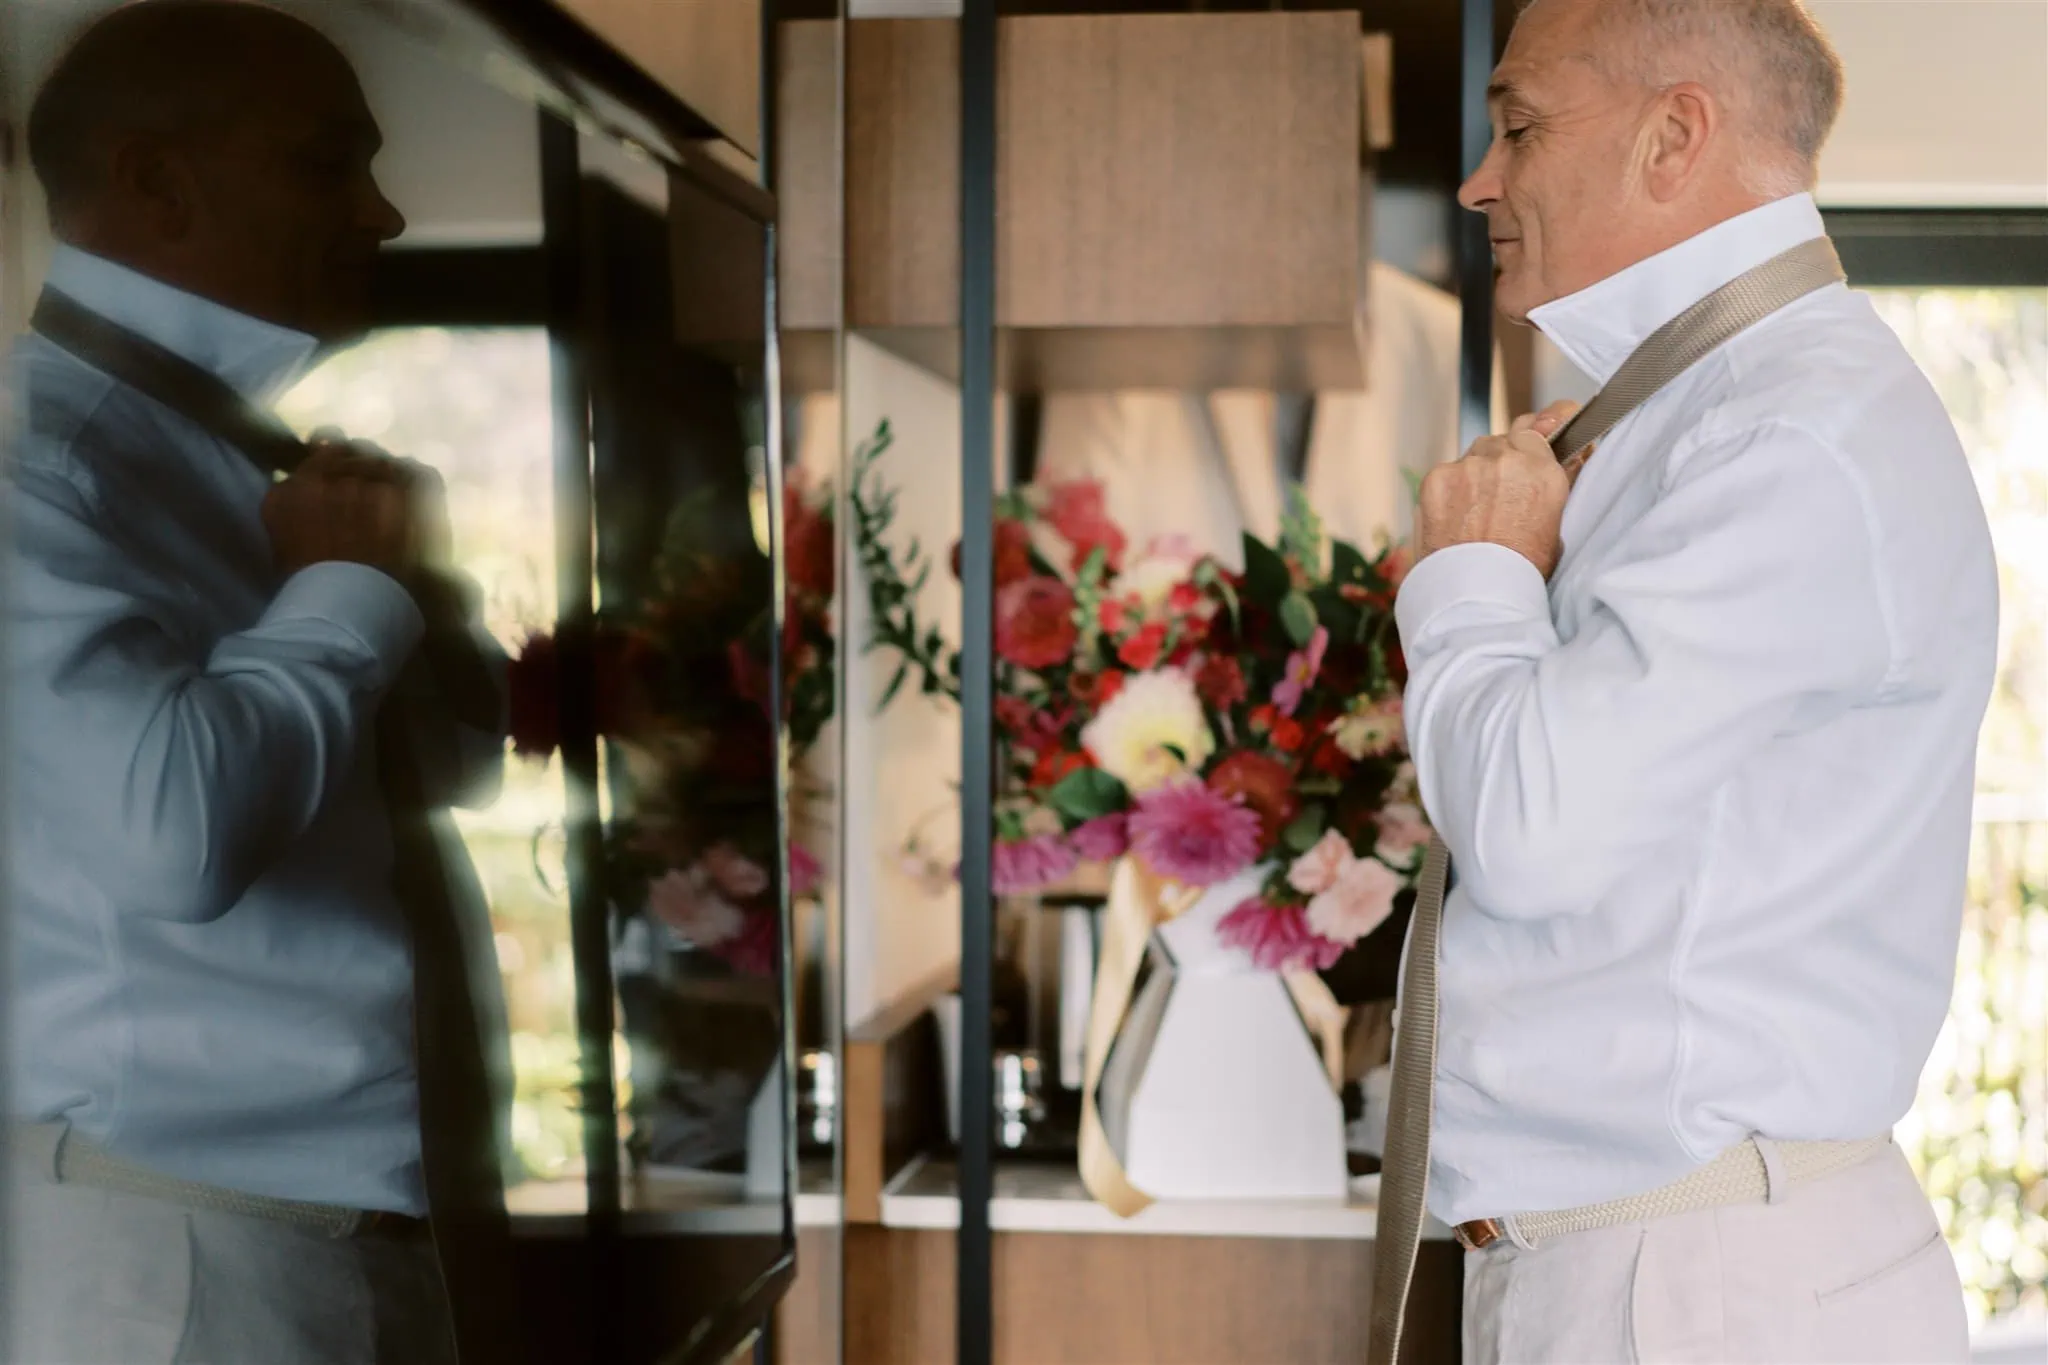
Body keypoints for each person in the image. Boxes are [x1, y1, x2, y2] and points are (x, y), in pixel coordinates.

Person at [1397, 0, 1994, 1360]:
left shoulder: (1786, 438)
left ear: (1674, 135)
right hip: (1659, 1268)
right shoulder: (1716, 418)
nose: (1481, 181)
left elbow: (1532, 831)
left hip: (1693, 1291)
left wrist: (1474, 573)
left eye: (1519, 125)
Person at [5, 3, 514, 1361]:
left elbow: (437, 782)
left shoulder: (249, 464)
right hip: (178, 1261)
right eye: (327, 163)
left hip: (349, 1236)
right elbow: (169, 839)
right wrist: (339, 596)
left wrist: (410, 597)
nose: (383, 214)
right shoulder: (36, 471)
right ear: (156, 183)